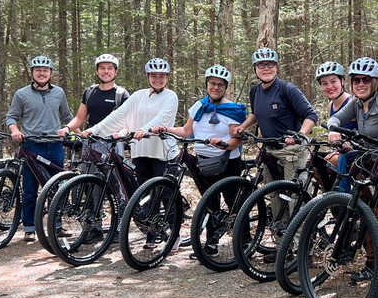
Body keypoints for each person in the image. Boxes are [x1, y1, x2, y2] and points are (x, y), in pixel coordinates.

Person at [327, 56, 378, 286]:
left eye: (366, 80)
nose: (361, 84)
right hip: (374, 166)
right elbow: (336, 118)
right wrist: (333, 129)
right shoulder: (356, 104)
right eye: (356, 80)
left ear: (374, 82)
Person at [148, 64, 246, 254]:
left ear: (225, 87)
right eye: (212, 83)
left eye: (220, 84)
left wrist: (224, 144)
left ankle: (245, 242)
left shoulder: (233, 110)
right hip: (204, 161)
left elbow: (237, 140)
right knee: (210, 203)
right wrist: (165, 129)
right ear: (207, 84)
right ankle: (211, 244)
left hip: (227, 163)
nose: (215, 87)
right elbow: (186, 131)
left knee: (234, 202)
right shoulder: (199, 106)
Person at [233, 47, 319, 221]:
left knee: (295, 196)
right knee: (275, 194)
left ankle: (300, 237)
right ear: (255, 69)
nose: (266, 68)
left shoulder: (287, 89)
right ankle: (281, 234)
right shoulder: (255, 91)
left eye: (270, 64)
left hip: (292, 150)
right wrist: (243, 126)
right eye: (261, 65)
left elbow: (311, 116)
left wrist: (299, 135)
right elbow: (257, 113)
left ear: (277, 67)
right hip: (269, 150)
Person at [5, 55, 74, 241]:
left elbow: (68, 116)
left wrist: (76, 132)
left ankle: (56, 226)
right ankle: (29, 228)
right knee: (30, 189)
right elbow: (11, 116)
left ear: (51, 73)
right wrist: (15, 131)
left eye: (45, 70)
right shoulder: (21, 94)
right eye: (38, 70)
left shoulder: (59, 92)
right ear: (32, 73)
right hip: (32, 145)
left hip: (55, 145)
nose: (41, 73)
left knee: (56, 188)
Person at [85, 57, 179, 184]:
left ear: (167, 77)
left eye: (162, 76)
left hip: (162, 154)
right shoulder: (139, 95)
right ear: (148, 76)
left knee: (165, 192)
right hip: (140, 151)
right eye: (153, 75)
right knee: (141, 193)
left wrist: (143, 130)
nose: (158, 79)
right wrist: (94, 130)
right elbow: (119, 114)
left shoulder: (171, 96)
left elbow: (162, 118)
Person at [59, 53, 130, 134]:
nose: (106, 71)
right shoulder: (89, 92)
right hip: (91, 137)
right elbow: (79, 118)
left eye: (110, 68)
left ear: (116, 72)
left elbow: (128, 122)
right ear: (97, 71)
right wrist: (67, 128)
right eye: (102, 68)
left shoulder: (121, 95)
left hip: (113, 138)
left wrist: (121, 134)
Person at [314, 61, 355, 190]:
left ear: (342, 81)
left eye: (333, 81)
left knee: (329, 163)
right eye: (324, 83)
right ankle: (333, 197)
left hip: (357, 154)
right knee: (315, 165)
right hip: (342, 151)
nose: (329, 86)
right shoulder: (330, 106)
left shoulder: (352, 103)